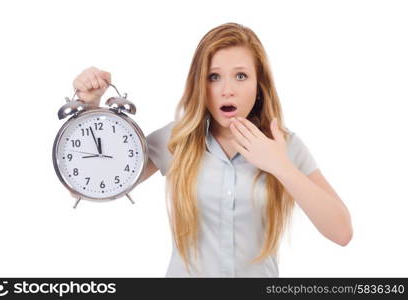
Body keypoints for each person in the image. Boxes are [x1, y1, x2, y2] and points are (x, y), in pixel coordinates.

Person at [72, 22, 353, 277]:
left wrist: (280, 165)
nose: (227, 90)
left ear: (259, 85)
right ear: (200, 84)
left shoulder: (283, 146)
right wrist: (91, 109)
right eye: (214, 77)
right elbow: (86, 186)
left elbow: (342, 232)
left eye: (241, 76)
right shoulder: (177, 139)